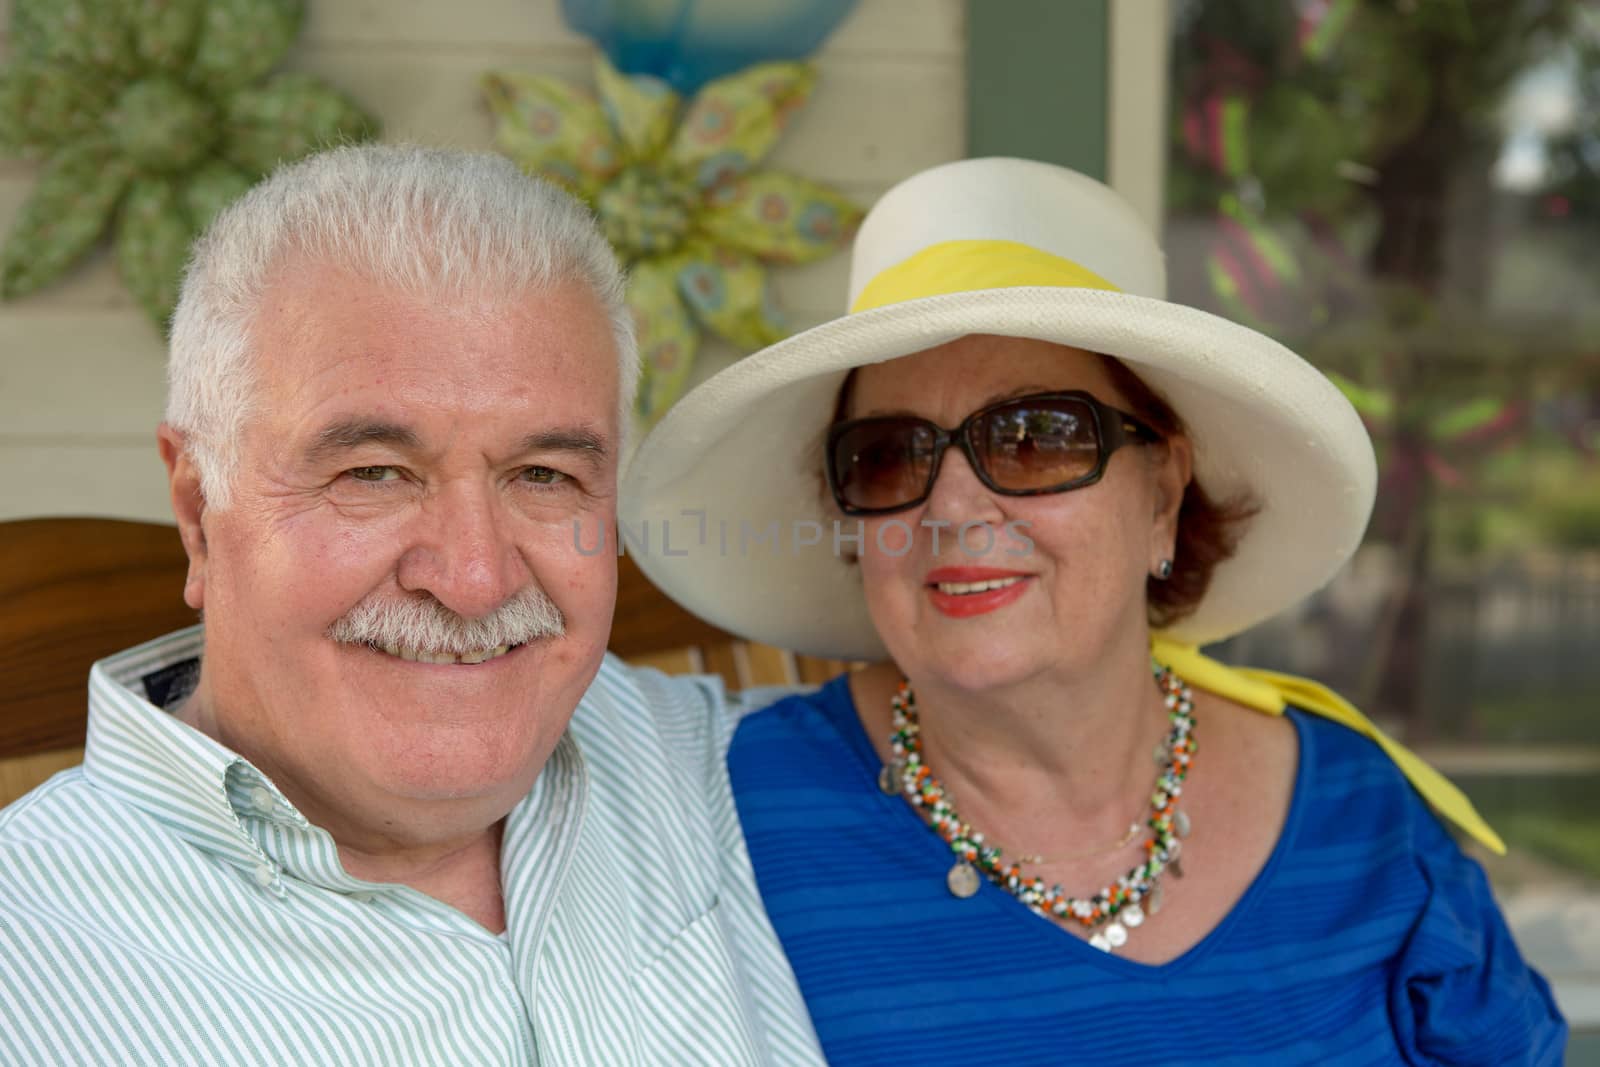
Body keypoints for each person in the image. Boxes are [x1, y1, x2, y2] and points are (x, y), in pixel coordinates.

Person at [619, 157, 1567, 1064]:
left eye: (1035, 438)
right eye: (890, 455)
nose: (950, 507)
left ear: (1162, 496)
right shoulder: (730, 811)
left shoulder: (1364, 822)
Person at [0, 145, 824, 1066]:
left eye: (544, 475)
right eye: (374, 474)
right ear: (199, 513)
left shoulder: (707, 761)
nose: (473, 578)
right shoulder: (26, 961)